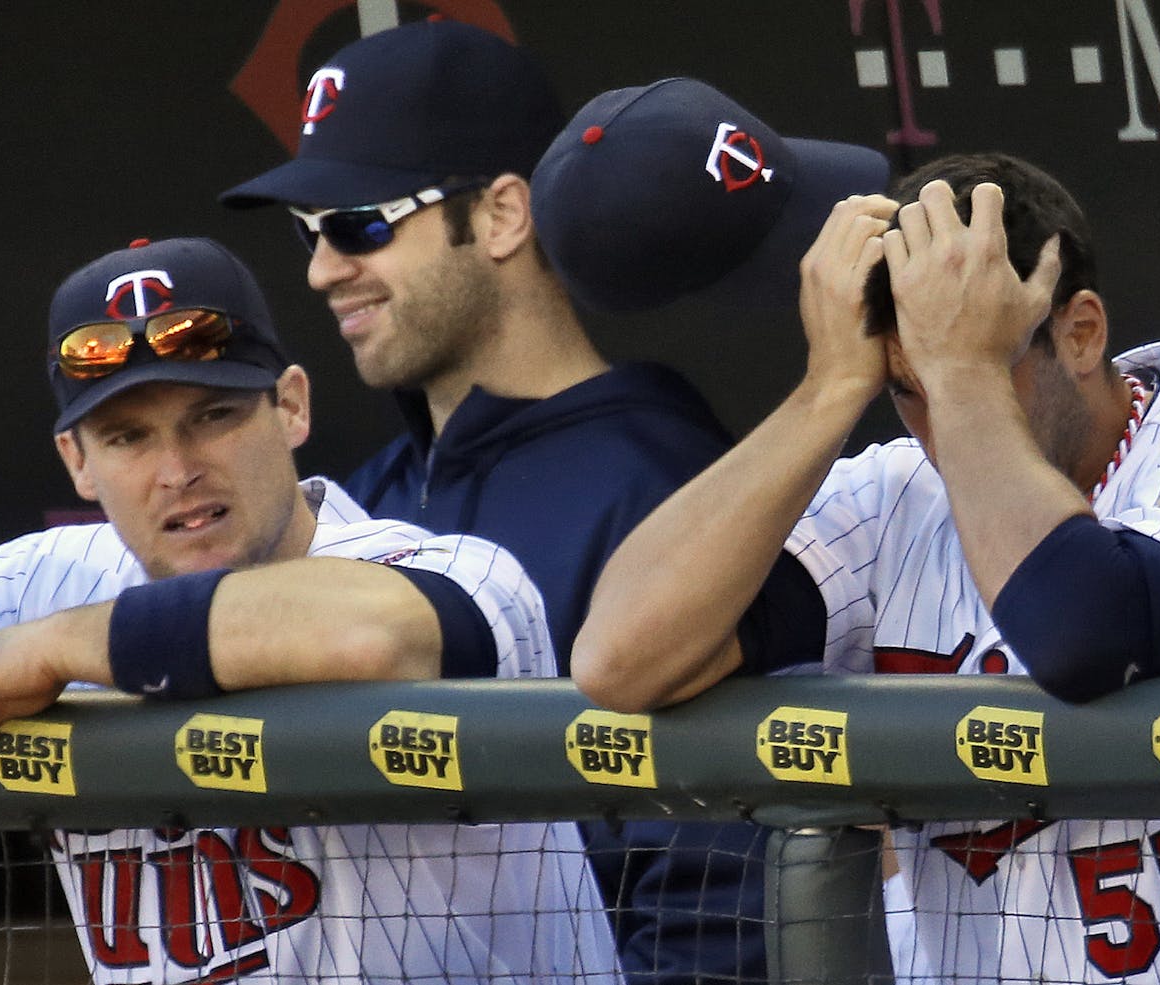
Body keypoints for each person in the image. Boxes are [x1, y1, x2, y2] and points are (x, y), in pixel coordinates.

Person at [220, 21, 891, 982]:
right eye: (307, 232)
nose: (323, 267)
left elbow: (716, 893)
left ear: (501, 214)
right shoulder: (357, 500)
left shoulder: (659, 483)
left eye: (361, 223)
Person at [0, 236, 622, 985]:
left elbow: (363, 633)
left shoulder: (444, 569)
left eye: (215, 416)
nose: (178, 468)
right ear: (78, 463)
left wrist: (62, 649)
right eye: (127, 437)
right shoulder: (41, 582)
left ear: (292, 407)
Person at [569, 150, 1160, 983]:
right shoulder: (891, 497)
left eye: (986, 364)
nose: (935, 424)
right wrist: (827, 388)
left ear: (1082, 331)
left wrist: (960, 373)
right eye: (906, 389)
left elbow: (1086, 631)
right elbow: (619, 658)